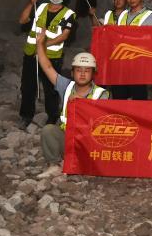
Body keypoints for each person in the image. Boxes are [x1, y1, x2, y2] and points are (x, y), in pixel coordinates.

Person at [34, 31, 109, 163]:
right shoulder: (66, 86)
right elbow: (48, 67)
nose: (82, 74)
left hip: (89, 145)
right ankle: (54, 165)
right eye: (79, 70)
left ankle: (84, 164)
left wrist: (82, 105)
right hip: (68, 140)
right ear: (72, 73)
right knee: (48, 130)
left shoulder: (101, 94)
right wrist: (40, 44)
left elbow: (103, 125)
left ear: (93, 74)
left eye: (87, 71)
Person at [18, 0, 76, 127]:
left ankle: (52, 117)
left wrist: (43, 46)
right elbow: (22, 20)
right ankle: (26, 116)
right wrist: (31, 3)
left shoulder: (69, 14)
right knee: (27, 86)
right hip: (31, 54)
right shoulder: (41, 7)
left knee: (51, 88)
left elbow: (64, 35)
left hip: (51, 57)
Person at [113, 0, 152, 100]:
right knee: (119, 98)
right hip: (120, 64)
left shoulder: (150, 15)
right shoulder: (122, 15)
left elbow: (144, 39)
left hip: (138, 64)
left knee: (138, 99)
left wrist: (123, 39)